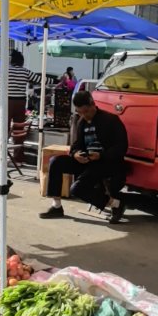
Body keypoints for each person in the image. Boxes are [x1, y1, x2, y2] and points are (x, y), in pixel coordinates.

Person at [41, 89, 128, 224]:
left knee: (76, 189)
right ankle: (56, 206)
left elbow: (122, 147)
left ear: (93, 104)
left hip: (106, 163)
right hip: (87, 161)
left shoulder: (110, 120)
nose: (84, 115)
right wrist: (76, 154)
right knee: (56, 162)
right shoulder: (81, 122)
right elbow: (76, 145)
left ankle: (116, 204)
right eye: (80, 112)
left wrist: (101, 155)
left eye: (86, 111)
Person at [0, 49, 39, 164]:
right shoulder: (25, 72)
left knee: (4, 130)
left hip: (7, 102)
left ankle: (0, 156)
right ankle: (18, 158)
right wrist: (58, 80)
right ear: (21, 61)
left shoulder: (6, 71)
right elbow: (39, 79)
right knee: (19, 131)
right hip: (20, 103)